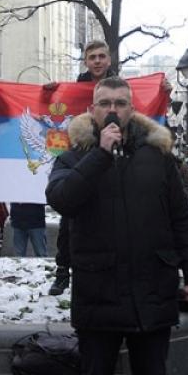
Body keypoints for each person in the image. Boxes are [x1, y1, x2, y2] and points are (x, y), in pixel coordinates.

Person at [46, 77, 188, 375]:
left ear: (132, 110)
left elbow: (182, 221)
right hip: (99, 291)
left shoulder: (158, 157)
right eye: (104, 104)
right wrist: (100, 155)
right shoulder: (75, 155)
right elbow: (61, 199)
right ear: (92, 111)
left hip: (150, 290)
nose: (113, 110)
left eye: (120, 103)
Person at [47, 41, 117, 296]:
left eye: (101, 56)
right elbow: (53, 107)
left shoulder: (122, 86)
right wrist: (49, 92)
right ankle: (63, 271)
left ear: (108, 60)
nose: (97, 61)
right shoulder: (74, 89)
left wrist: (162, 90)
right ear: (86, 62)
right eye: (92, 57)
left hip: (114, 155)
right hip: (84, 154)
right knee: (69, 219)